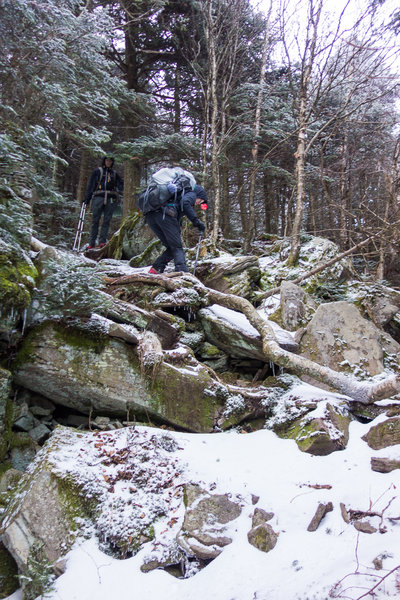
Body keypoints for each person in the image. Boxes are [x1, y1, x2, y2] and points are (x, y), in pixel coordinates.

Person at [147, 183, 208, 274]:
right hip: (165, 215)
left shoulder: (175, 198)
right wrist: (196, 221)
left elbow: (178, 211)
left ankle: (156, 268)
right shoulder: (192, 194)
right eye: (200, 200)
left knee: (171, 247)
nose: (199, 203)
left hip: (151, 216)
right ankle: (182, 272)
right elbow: (185, 203)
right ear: (198, 195)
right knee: (177, 247)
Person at [83, 156, 123, 249]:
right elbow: (91, 185)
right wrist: (87, 198)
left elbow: (121, 185)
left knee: (107, 221)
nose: (108, 162)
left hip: (110, 199)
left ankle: (102, 242)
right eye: (107, 160)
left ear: (112, 162)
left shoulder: (114, 174)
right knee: (95, 220)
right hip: (98, 198)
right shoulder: (97, 172)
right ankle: (91, 243)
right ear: (104, 161)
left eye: (110, 161)